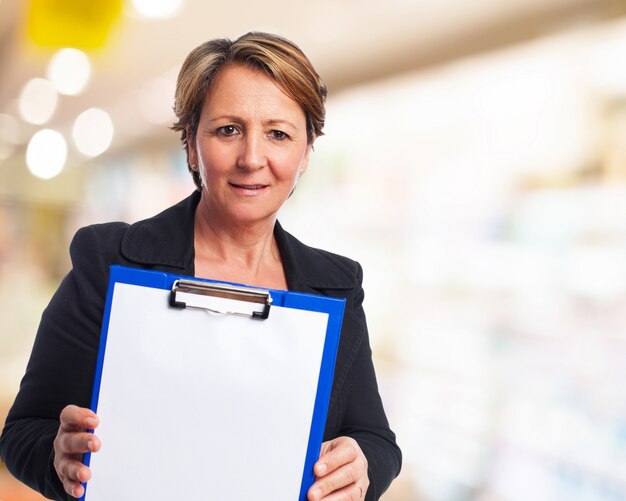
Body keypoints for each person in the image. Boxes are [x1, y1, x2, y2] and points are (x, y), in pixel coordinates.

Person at [0, 32, 401, 500]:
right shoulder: (108, 263)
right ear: (191, 144)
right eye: (228, 129)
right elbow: (23, 432)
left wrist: (360, 465)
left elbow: (377, 440)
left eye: (279, 133)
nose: (252, 158)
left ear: (306, 152)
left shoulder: (335, 288)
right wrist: (58, 455)